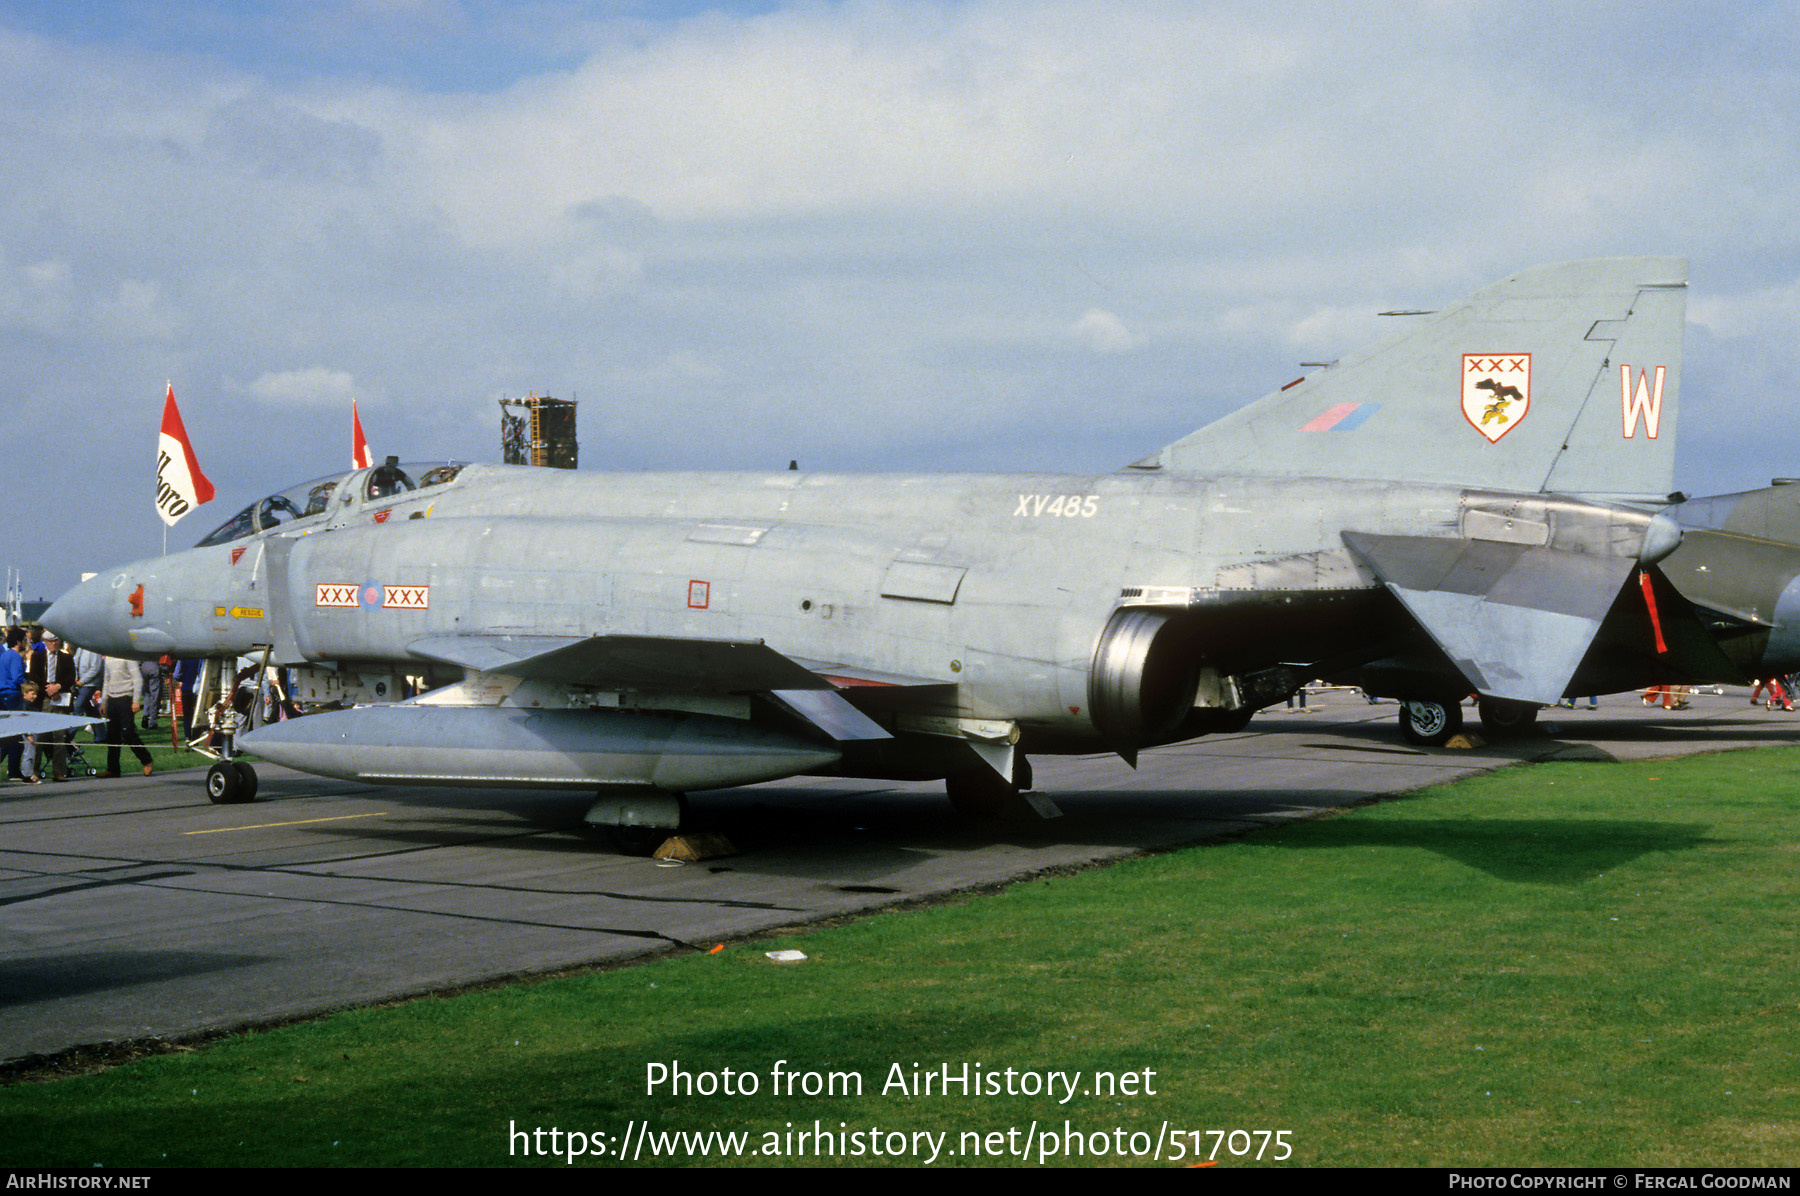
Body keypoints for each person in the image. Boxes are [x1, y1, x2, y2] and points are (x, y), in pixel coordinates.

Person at [28, 632, 76, 782]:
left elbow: (71, 676)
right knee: (40, 737)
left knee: (59, 737)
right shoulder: (37, 657)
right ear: (45, 642)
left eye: (56, 641)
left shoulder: (66, 657)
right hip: (43, 699)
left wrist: (58, 687)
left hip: (60, 699)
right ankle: (33, 771)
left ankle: (59, 771)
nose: (54, 644)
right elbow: (34, 676)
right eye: (51, 641)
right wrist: (48, 689)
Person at [98, 655, 153, 777]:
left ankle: (146, 760)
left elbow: (137, 679)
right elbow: (106, 680)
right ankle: (113, 769)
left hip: (126, 697)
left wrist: (136, 700)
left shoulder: (127, 656)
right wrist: (104, 701)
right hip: (112, 698)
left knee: (128, 732)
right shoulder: (108, 657)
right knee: (112, 735)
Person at [1, 628, 25, 781]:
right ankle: (14, 770)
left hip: (1, 694)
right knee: (17, 736)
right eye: (24, 640)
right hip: (12, 694)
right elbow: (17, 678)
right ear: (18, 641)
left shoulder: (3, 656)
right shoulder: (16, 657)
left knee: (6, 734)